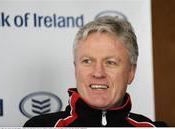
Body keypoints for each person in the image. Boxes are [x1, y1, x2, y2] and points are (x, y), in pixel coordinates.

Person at [24, 16, 166, 127]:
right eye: (87, 61)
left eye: (110, 62)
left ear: (131, 72)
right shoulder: (40, 126)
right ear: (76, 69)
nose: (98, 73)